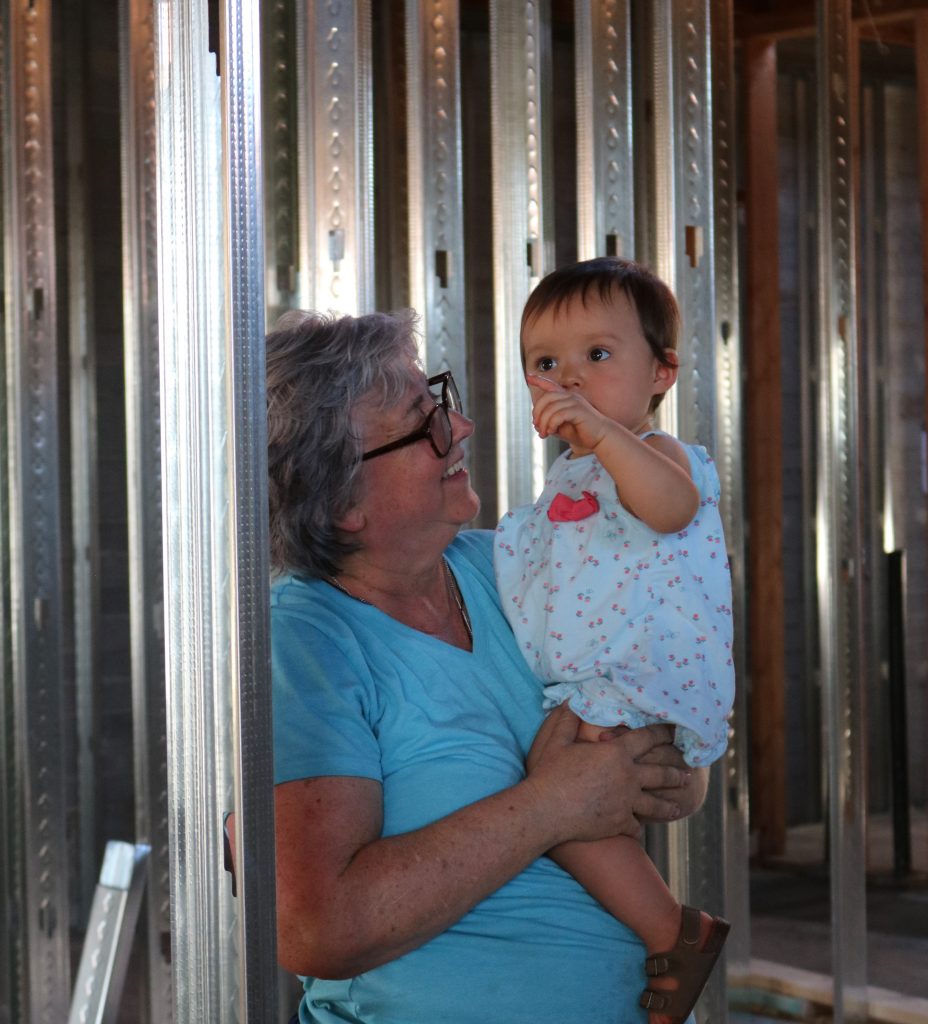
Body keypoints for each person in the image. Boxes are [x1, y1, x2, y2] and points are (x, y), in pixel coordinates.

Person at [264, 307, 710, 1024]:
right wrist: (551, 805)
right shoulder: (304, 644)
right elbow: (321, 929)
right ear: (344, 500)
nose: (461, 428)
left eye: (440, 400)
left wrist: (671, 768)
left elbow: (670, 772)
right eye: (424, 421)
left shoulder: (516, 569)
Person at [493, 257, 735, 1023]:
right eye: (545, 362)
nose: (569, 378)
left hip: (641, 672)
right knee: (564, 808)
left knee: (560, 805)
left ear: (661, 372)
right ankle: (655, 929)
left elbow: (669, 509)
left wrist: (602, 435)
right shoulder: (571, 477)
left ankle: (672, 929)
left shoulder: (658, 455)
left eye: (597, 356)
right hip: (600, 678)